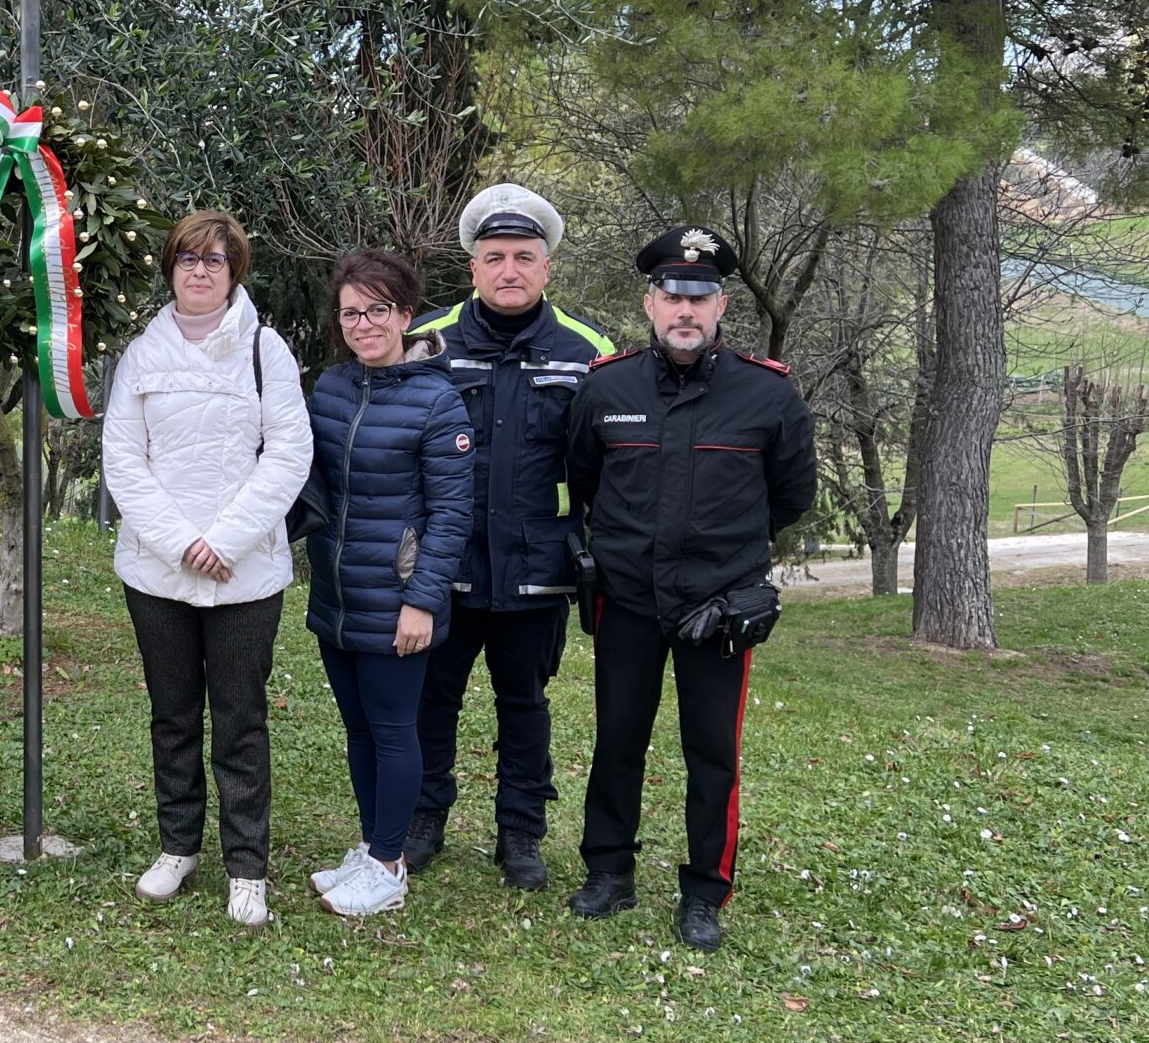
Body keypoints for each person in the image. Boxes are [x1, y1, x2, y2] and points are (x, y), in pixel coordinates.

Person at [564, 227, 816, 951]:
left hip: (719, 608)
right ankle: (608, 872)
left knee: (712, 753)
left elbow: (790, 498)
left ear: (721, 306)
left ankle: (706, 890)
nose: (685, 309)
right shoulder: (605, 387)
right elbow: (584, 482)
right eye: (672, 295)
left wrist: (727, 556)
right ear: (649, 303)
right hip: (628, 602)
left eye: (699, 297)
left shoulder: (766, 395)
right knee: (618, 741)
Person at [102, 210, 313, 929]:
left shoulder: (266, 352)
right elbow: (124, 462)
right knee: (172, 715)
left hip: (244, 574)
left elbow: (288, 454)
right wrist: (180, 544)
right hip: (156, 573)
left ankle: (246, 865)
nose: (200, 271)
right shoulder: (141, 355)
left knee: (241, 720)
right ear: (170, 269)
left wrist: (222, 540)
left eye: (215, 261)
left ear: (234, 272)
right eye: (188, 259)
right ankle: (177, 845)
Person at [406, 184, 610, 889]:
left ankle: (520, 831)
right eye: (494, 257)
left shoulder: (589, 352)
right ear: (473, 269)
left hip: (536, 566)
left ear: (547, 267)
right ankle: (425, 816)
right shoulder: (426, 341)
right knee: (433, 697)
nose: (510, 270)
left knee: (524, 704)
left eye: (525, 257)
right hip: (446, 563)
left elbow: (604, 469)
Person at [299, 249, 474, 918]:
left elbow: (452, 513)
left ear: (405, 313)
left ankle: (391, 864)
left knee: (396, 730)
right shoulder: (333, 387)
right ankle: (371, 845)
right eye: (351, 312)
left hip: (399, 600)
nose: (363, 323)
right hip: (338, 596)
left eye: (377, 309)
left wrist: (423, 601)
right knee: (360, 729)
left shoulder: (438, 399)